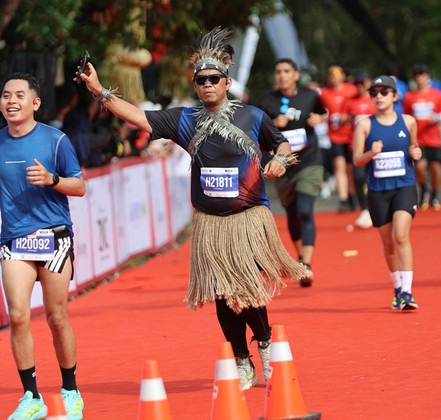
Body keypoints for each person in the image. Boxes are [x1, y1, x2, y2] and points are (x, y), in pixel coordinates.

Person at [80, 27, 309, 390]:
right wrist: (99, 90)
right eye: (201, 80)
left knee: (246, 287)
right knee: (221, 294)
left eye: (213, 79)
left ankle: (265, 343)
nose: (207, 85)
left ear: (227, 82)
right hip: (209, 222)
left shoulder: (252, 116)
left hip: (248, 218)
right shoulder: (184, 119)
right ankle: (241, 361)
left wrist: (280, 160)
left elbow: (280, 144)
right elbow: (138, 117)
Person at [0, 72, 86, 419]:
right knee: (18, 316)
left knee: (56, 316)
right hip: (14, 240)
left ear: (35, 103)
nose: (11, 101)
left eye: (19, 95)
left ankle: (71, 389)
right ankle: (31, 396)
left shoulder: (55, 140)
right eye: (6, 95)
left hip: (53, 238)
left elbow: (79, 186)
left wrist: (52, 180)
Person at [353, 75, 422, 310]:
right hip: (377, 190)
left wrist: (416, 153)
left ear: (395, 96)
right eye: (374, 93)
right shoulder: (365, 125)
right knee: (389, 244)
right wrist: (371, 153)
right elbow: (357, 160)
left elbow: (414, 147)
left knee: (401, 236)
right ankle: (397, 287)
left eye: (384, 92)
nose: (378, 97)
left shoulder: (409, 122)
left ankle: (407, 292)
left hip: (404, 186)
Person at [259, 58, 327, 287]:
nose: (282, 75)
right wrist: (272, 123)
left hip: (310, 161)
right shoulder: (267, 100)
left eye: (287, 71)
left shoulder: (310, 95)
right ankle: (300, 257)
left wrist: (320, 118)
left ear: (296, 75)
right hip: (283, 165)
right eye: (278, 71)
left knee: (305, 209)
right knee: (292, 213)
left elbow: (322, 112)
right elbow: (257, 130)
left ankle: (306, 264)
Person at [402, 64, 441, 211]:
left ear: (428, 77)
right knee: (420, 167)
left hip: (434, 139)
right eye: (417, 76)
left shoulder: (437, 95)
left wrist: (437, 118)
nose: (420, 79)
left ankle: (435, 195)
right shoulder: (409, 97)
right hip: (417, 139)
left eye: (423, 75)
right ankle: (424, 189)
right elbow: (406, 116)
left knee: (435, 168)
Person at [319, 64, 358, 211]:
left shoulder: (352, 89)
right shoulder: (324, 93)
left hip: (352, 135)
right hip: (335, 136)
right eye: (331, 75)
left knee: (351, 168)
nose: (334, 78)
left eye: (337, 75)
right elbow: (320, 111)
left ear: (343, 76)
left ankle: (352, 194)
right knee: (339, 166)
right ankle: (343, 199)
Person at [342, 70, 376, 228]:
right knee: (358, 177)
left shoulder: (376, 99)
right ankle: (364, 209)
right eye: (357, 83)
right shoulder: (350, 102)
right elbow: (342, 120)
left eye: (363, 82)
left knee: (376, 177)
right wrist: (347, 118)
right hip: (356, 147)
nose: (360, 86)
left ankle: (379, 208)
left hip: (375, 147)